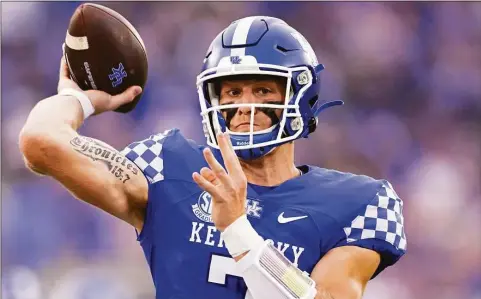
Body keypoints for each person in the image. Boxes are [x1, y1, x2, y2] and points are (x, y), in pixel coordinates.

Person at [19, 16, 406, 299]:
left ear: (299, 97)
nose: (243, 106)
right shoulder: (168, 164)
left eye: (262, 90)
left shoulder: (362, 202)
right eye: (231, 92)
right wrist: (77, 98)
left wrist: (238, 231)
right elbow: (41, 142)